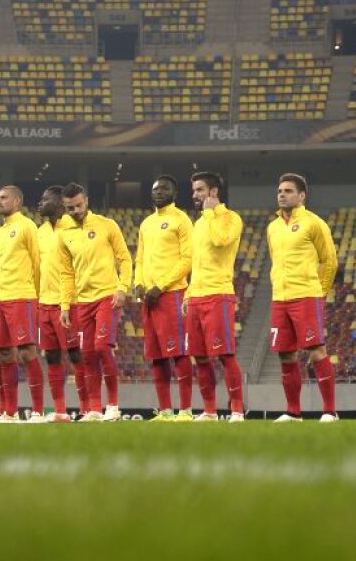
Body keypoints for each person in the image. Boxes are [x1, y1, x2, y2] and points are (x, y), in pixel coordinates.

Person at [266, 173, 339, 423]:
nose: (282, 194)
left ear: (301, 196)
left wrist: (321, 293)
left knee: (316, 351)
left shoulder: (314, 223)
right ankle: (293, 412)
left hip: (307, 296)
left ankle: (330, 411)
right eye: (279, 191)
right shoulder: (272, 227)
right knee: (285, 355)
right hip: (279, 298)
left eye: (288, 190)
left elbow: (329, 261)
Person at [56, 183, 132, 421]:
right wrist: (66, 305)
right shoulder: (63, 234)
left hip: (107, 296)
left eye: (78, 205)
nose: (75, 210)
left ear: (86, 201)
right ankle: (94, 409)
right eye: (70, 208)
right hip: (82, 300)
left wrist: (122, 288)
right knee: (87, 354)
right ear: (65, 207)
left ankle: (113, 405)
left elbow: (125, 259)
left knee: (101, 348)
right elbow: (66, 273)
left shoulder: (107, 225)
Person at [184, 171, 245, 422]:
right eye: (194, 190)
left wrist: (210, 213)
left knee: (225, 354)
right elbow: (196, 263)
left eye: (199, 189)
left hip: (219, 294)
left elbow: (220, 241)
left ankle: (237, 410)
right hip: (196, 296)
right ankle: (209, 410)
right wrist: (188, 293)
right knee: (199, 357)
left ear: (213, 192)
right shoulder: (198, 223)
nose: (195, 195)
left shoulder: (231, 218)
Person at [134, 176, 194, 422]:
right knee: (156, 356)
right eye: (155, 189)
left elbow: (188, 259)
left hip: (171, 294)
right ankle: (165, 410)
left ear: (174, 192)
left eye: (164, 189)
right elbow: (140, 258)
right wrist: (138, 282)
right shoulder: (147, 223)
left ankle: (186, 410)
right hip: (149, 298)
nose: (159, 192)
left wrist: (161, 285)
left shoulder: (181, 220)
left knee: (178, 353)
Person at [0, 185, 44, 421]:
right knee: (4, 354)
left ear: (17, 201)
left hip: (21, 296)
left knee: (26, 351)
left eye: (3, 198)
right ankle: (10, 412)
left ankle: (38, 410)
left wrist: (35, 294)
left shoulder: (27, 226)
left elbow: (37, 262)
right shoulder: (0, 233)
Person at [34, 187, 79, 422]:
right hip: (45, 303)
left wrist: (69, 301)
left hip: (70, 303)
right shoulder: (39, 231)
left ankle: (88, 409)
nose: (40, 203)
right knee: (51, 357)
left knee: (76, 355)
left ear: (60, 203)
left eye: (44, 199)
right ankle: (60, 411)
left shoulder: (73, 227)